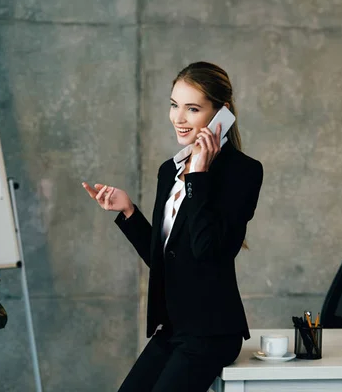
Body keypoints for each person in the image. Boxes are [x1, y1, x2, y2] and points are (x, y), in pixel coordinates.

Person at [82, 61, 263, 392]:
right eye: (174, 105)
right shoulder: (169, 170)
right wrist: (128, 212)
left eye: (192, 108)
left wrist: (198, 175)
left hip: (211, 332)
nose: (178, 118)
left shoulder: (243, 172)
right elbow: (167, 261)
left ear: (220, 113)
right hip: (173, 329)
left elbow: (206, 252)